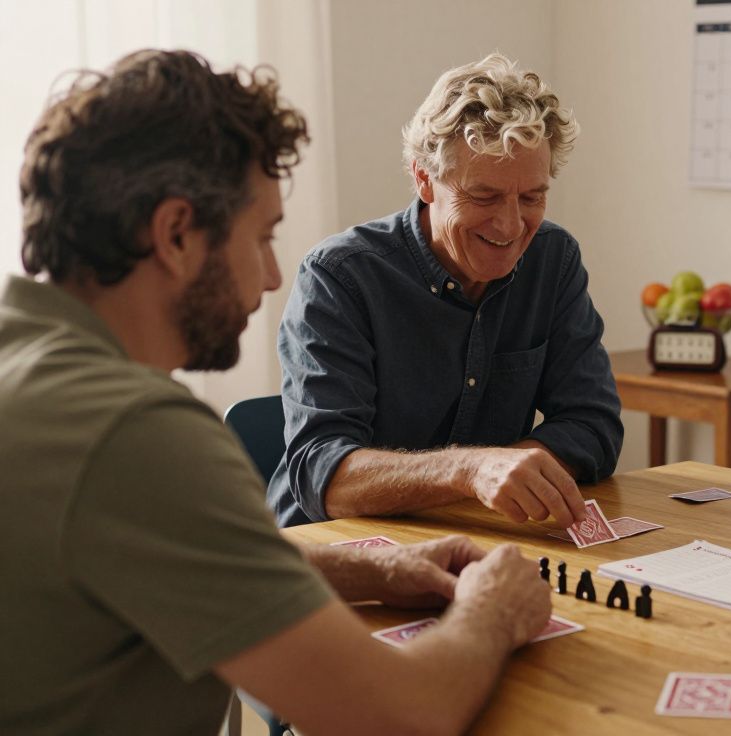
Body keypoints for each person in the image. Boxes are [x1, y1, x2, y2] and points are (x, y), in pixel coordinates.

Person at [0, 49, 550, 734]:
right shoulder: (134, 434)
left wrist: (379, 571)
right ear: (176, 234)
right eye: (261, 237)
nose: (268, 276)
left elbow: (174, 551)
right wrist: (491, 613)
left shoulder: (25, 364)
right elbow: (401, 715)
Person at [267, 53, 623, 528]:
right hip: (330, 552)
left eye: (532, 197)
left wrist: (509, 474)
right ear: (423, 179)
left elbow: (594, 424)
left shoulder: (553, 259)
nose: (512, 225)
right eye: (484, 196)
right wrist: (472, 471)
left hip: (479, 535)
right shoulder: (340, 277)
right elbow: (323, 476)